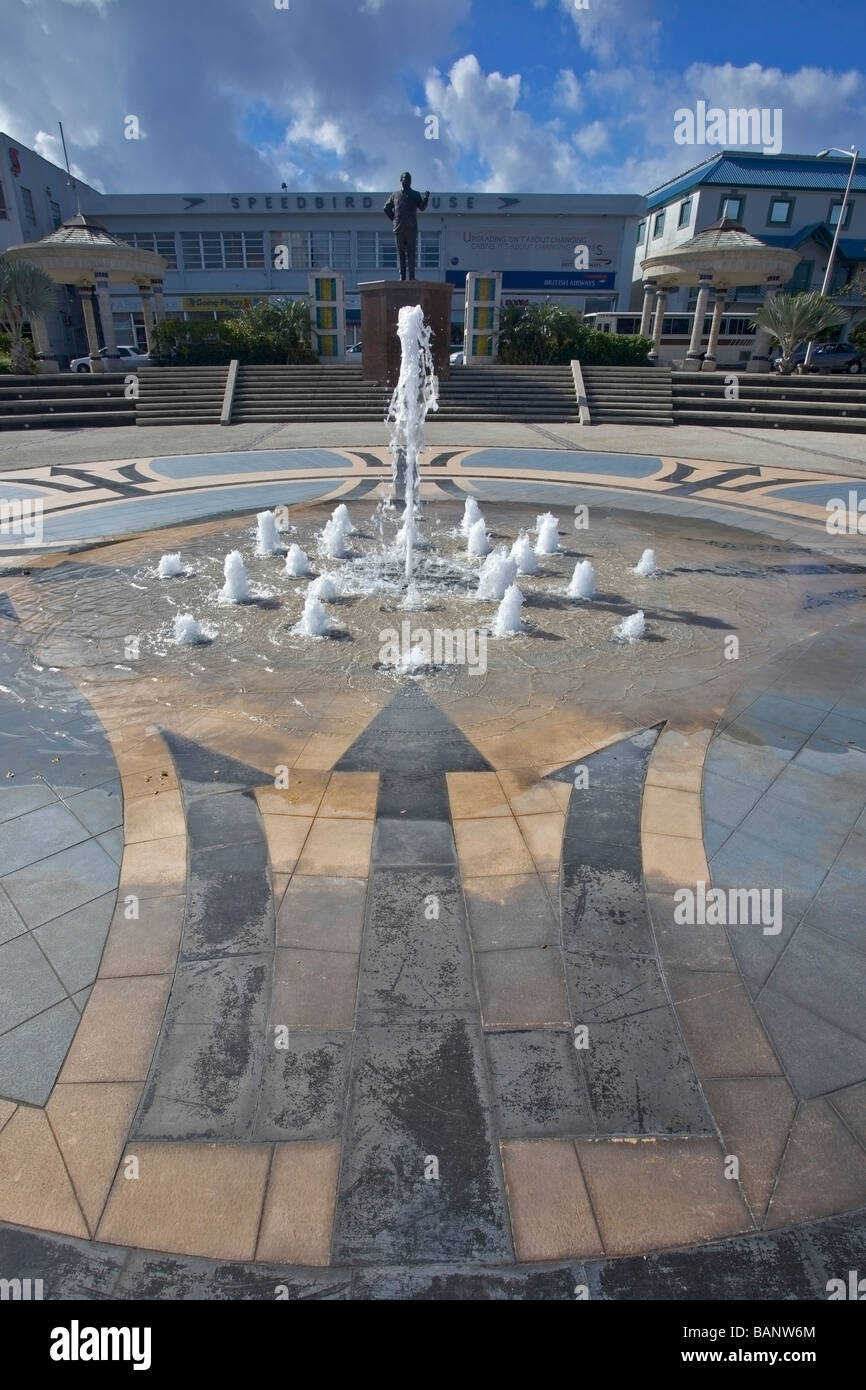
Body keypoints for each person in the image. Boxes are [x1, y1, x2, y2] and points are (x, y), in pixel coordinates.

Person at [383, 172, 430, 281]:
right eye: (404, 178)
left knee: (411, 253)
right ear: (401, 180)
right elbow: (386, 208)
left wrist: (426, 198)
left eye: (409, 179)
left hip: (411, 229)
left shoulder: (415, 194)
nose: (407, 181)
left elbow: (422, 207)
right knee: (400, 254)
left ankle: (412, 276)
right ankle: (402, 276)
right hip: (398, 229)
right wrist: (394, 220)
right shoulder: (395, 195)